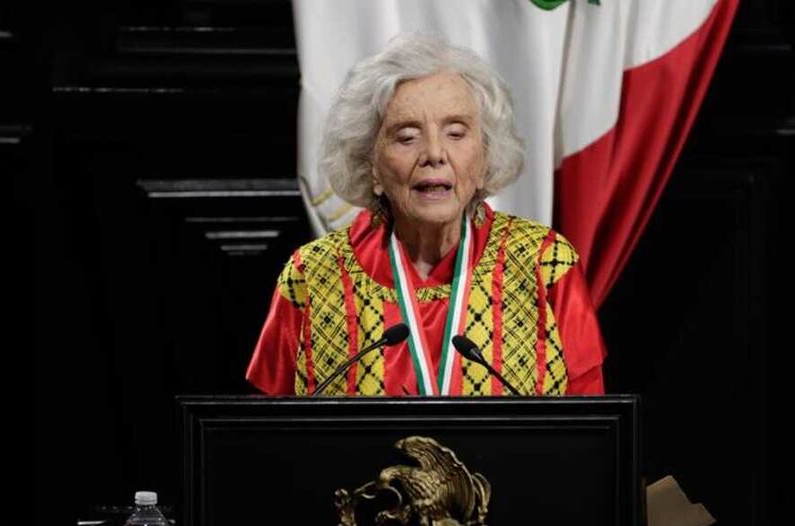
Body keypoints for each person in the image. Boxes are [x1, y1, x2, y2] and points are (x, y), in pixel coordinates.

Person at [247, 34, 606, 396]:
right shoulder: (313, 275)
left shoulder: (544, 263)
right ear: (371, 165)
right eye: (406, 137)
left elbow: (592, 430)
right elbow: (266, 435)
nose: (434, 153)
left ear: (484, 157)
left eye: (455, 133)